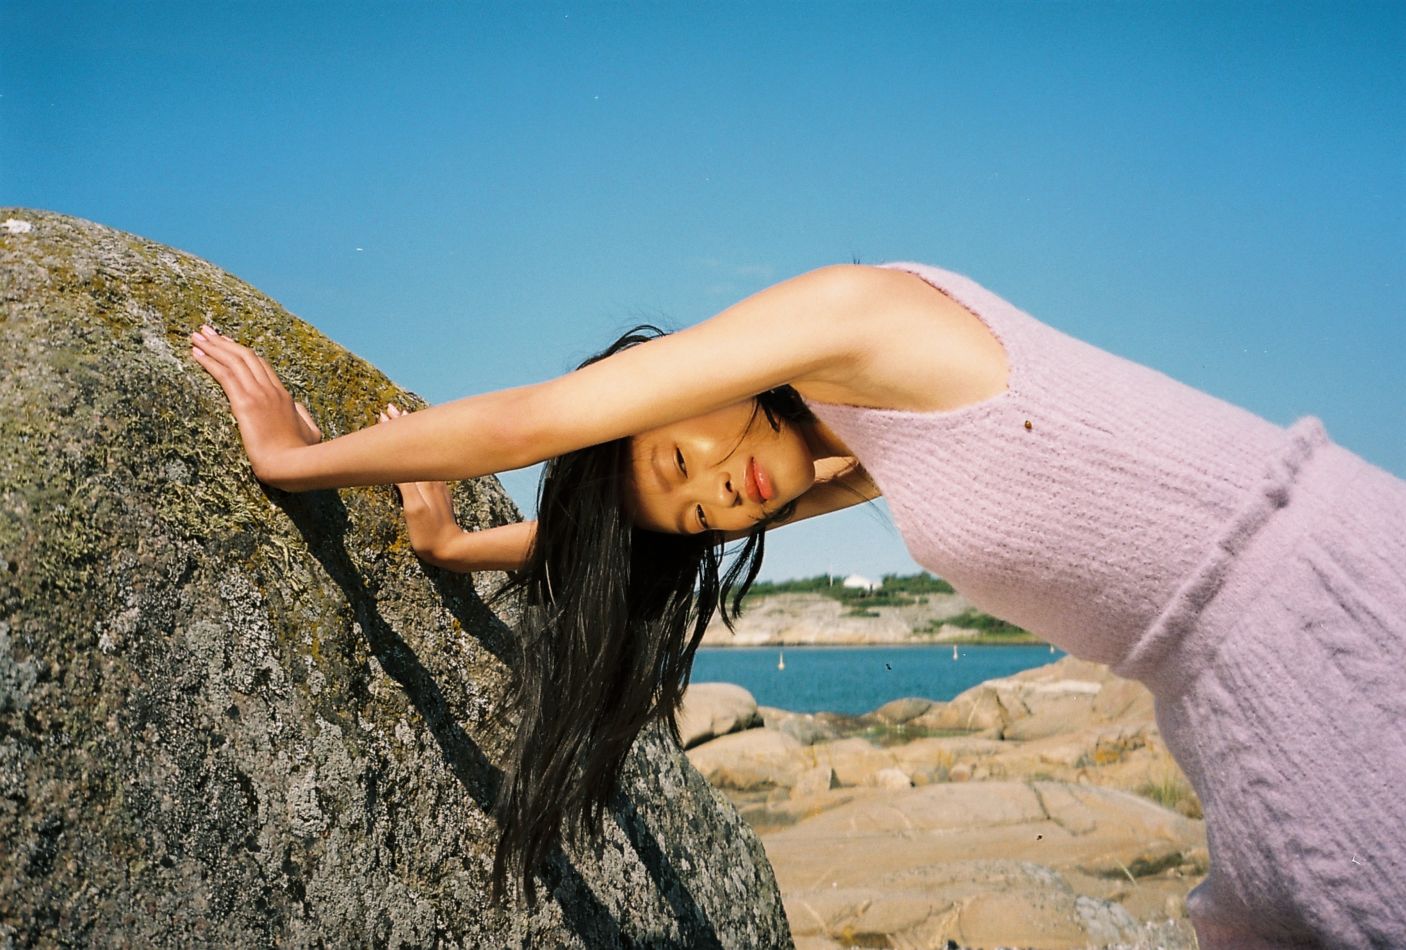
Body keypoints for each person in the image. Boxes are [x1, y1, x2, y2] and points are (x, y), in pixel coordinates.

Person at [191, 261, 1405, 948]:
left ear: (666, 383)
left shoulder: (856, 320)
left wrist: (302, 460)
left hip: (1320, 613)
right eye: (697, 513)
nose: (720, 492)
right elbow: (607, 534)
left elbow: (530, 422)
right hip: (1218, 701)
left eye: (682, 456)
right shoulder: (854, 443)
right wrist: (452, 543)